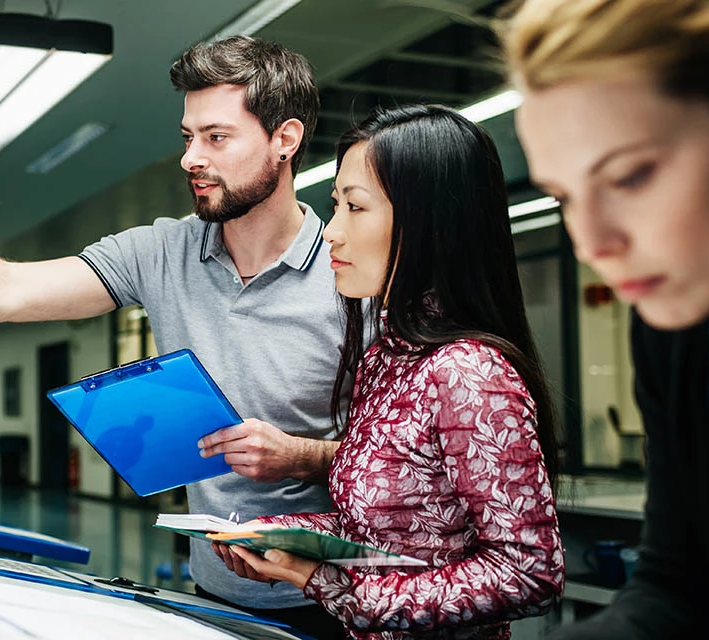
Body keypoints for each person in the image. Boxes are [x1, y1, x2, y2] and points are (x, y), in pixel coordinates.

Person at [0, 36, 348, 639]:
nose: (190, 158)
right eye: (187, 137)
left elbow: (420, 461)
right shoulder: (161, 251)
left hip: (332, 601)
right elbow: (5, 291)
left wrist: (303, 456)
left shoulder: (353, 270)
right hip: (216, 592)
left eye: (217, 137)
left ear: (285, 140)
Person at [500, 0, 709, 637]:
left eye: (630, 177)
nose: (591, 244)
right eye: (566, 198)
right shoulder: (680, 335)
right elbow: (686, 590)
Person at [213, 104, 564, 639]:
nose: (331, 232)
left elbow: (529, 572)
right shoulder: (388, 357)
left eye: (355, 207)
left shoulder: (469, 373)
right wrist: (282, 533)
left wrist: (326, 582)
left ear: (430, 222)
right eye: (335, 206)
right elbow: (388, 532)